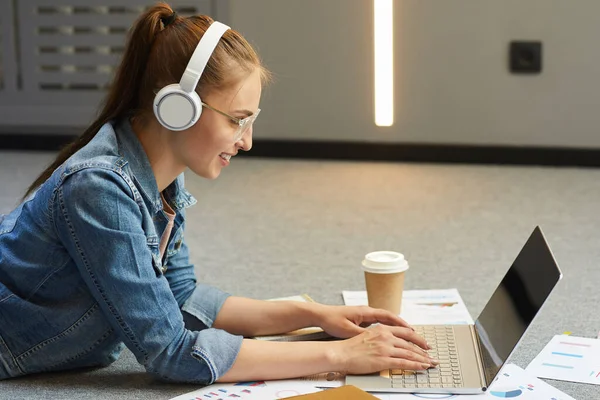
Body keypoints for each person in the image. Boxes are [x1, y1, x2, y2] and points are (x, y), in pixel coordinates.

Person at [0, 3, 437, 384]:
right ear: (177, 107)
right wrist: (338, 355)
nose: (246, 141)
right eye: (236, 120)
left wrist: (315, 316)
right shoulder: (100, 190)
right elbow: (170, 352)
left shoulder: (162, 174)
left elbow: (182, 293)